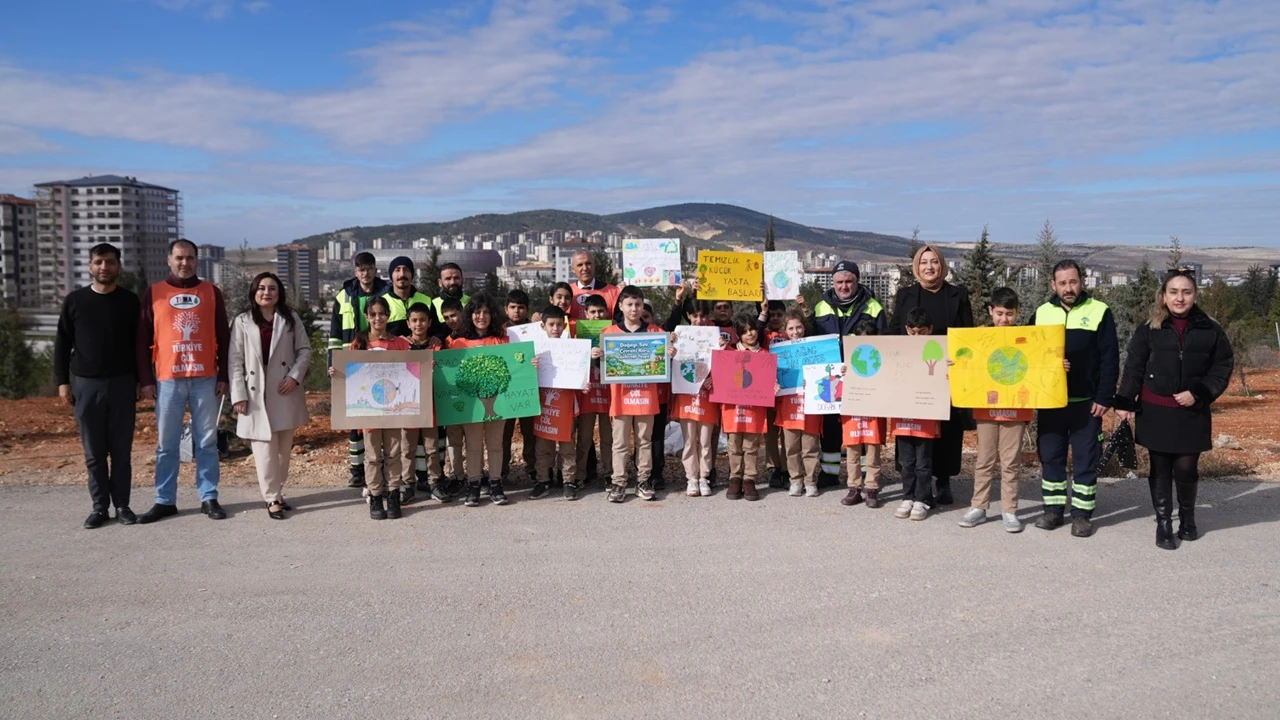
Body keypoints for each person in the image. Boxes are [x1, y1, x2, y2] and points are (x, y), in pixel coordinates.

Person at [1113, 270, 1234, 549]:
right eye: (1174, 292)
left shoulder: (1211, 329)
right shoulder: (1148, 328)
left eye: (1186, 292)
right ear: (1164, 296)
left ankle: (1188, 519)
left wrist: (1199, 393)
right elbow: (1134, 367)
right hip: (1155, 410)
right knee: (1160, 467)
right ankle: (1164, 523)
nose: (1180, 298)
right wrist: (1124, 401)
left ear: (1195, 295)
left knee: (1187, 468)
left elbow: (1223, 365)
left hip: (1192, 411)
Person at [136, 239, 232, 523]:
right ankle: (164, 500)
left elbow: (223, 336)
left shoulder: (211, 292)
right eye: (179, 257)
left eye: (190, 258)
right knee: (167, 445)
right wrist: (145, 379)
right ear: (169, 260)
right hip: (167, 380)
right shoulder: (155, 293)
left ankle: (208, 496)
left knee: (207, 442)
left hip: (206, 378)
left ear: (197, 261)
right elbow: (142, 339)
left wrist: (224, 375)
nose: (184, 263)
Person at [55, 242, 140, 528]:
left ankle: (123, 506)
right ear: (90, 266)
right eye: (99, 262)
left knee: (121, 452)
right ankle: (100, 508)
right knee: (94, 453)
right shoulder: (75, 301)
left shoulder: (130, 301)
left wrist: (141, 380)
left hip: (123, 384)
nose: (105, 267)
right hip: (85, 385)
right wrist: (62, 382)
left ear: (119, 266)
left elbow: (139, 345)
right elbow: (62, 343)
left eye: (110, 262)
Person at [1033, 259, 1119, 538]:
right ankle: (1053, 510)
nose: (1068, 288)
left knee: (1085, 460)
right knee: (1051, 457)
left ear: (1082, 281)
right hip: (1051, 403)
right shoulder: (1041, 313)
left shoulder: (1099, 311)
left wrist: (1104, 397)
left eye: (1073, 281)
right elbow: (1030, 356)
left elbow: (1110, 358)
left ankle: (1082, 515)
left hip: (1087, 403)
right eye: (1062, 283)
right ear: (1053, 285)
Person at [889, 245, 974, 505]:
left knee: (946, 429)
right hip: (911, 375)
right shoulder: (905, 295)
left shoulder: (958, 295)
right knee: (914, 429)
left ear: (942, 265)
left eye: (934, 261)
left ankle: (943, 480)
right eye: (924, 262)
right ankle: (912, 483)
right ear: (917, 266)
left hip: (946, 374)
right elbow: (894, 332)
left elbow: (968, 334)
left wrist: (959, 359)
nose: (929, 267)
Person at [229, 272, 311, 520]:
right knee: (264, 448)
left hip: (284, 389)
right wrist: (238, 395)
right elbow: (235, 360)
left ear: (279, 293)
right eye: (262, 288)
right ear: (254, 292)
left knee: (283, 451)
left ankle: (278, 491)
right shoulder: (242, 321)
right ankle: (272, 498)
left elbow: (304, 350)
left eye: (272, 288)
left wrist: (294, 377)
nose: (267, 292)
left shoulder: (290, 318)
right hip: (254, 392)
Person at [958, 287, 1032, 533]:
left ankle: (1009, 510)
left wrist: (1056, 364)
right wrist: (955, 362)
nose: (1004, 319)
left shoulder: (1026, 337)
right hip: (986, 408)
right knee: (984, 459)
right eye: (999, 313)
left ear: (1017, 313)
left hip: (1015, 409)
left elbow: (1039, 365)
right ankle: (978, 507)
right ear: (990, 311)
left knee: (1011, 462)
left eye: (1009, 314)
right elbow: (965, 361)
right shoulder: (979, 336)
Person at [813, 260, 888, 488]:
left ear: (857, 281)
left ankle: (865, 474)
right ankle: (829, 472)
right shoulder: (820, 307)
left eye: (848, 281)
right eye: (839, 282)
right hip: (830, 378)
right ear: (832, 283)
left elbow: (884, 343)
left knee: (862, 424)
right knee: (830, 426)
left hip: (862, 377)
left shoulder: (873, 307)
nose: (844, 286)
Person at [344, 296, 412, 519]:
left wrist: (423, 367)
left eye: (382, 313)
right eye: (372, 314)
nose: (377, 318)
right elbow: (351, 373)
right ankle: (375, 496)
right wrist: (337, 371)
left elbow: (410, 372)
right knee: (372, 455)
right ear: (366, 317)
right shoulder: (359, 343)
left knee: (394, 453)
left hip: (393, 408)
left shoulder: (400, 343)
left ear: (388, 316)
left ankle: (393, 495)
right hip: (369, 410)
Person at [600, 285, 669, 503]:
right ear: (620, 306)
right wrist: (597, 356)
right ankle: (619, 482)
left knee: (644, 441)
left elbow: (663, 364)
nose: (634, 309)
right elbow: (603, 366)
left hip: (646, 397)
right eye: (629, 304)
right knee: (620, 442)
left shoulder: (656, 333)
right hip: (620, 398)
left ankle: (643, 481)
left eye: (638, 304)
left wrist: (670, 353)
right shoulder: (609, 334)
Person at [328, 251, 389, 488]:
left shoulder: (386, 292)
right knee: (356, 420)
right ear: (355, 271)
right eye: (361, 269)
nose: (365, 273)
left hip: (381, 363)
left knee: (382, 418)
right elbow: (334, 336)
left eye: (369, 268)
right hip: (351, 366)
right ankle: (357, 470)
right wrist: (333, 364)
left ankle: (381, 467)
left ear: (375, 269)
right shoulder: (343, 296)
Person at [446, 293, 512, 507]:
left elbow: (515, 365)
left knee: (495, 445)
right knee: (473, 445)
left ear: (492, 315)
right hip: (470, 404)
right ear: (470, 315)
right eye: (476, 312)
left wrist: (531, 363)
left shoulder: (503, 340)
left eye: (485, 312)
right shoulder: (457, 343)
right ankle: (473, 485)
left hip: (497, 401)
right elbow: (450, 372)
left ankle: (495, 484)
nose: (481, 316)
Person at [891, 308, 943, 521]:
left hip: (926, 419)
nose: (917, 336)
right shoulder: (897, 352)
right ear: (906, 330)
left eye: (922, 332)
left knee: (923, 462)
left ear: (930, 329)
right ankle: (907, 497)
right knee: (906, 462)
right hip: (902, 418)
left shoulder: (938, 351)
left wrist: (948, 369)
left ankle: (922, 499)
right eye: (913, 332)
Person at [721, 314, 774, 501]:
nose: (750, 334)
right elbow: (721, 376)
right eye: (744, 332)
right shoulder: (729, 353)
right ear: (738, 335)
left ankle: (749, 479)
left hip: (754, 409)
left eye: (752, 329)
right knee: (734, 444)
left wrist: (773, 385)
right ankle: (735, 478)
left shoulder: (765, 355)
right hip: (733, 408)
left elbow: (769, 380)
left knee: (751, 445)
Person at [530, 307, 582, 499]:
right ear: (543, 326)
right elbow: (525, 375)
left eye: (559, 324)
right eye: (551, 324)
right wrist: (531, 366)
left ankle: (568, 480)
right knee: (543, 446)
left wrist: (583, 382)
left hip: (566, 403)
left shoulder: (573, 348)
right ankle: (543, 480)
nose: (555, 328)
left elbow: (580, 373)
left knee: (567, 445)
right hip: (543, 404)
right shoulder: (536, 349)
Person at [402, 303, 448, 503]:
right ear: (408, 323)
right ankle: (407, 484)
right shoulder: (401, 346)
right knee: (407, 448)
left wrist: (438, 367)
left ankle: (434, 483)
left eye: (422, 320)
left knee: (432, 448)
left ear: (429, 322)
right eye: (414, 320)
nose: (418, 324)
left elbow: (447, 373)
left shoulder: (437, 346)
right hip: (407, 407)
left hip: (431, 407)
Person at [839, 317, 887, 508]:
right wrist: (842, 372)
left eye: (869, 338)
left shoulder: (882, 359)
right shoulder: (850, 358)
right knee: (852, 453)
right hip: (853, 412)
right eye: (860, 338)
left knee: (873, 452)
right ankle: (854, 488)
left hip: (874, 413)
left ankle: (872, 488)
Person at [775, 309, 822, 498]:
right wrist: (774, 383)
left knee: (810, 447)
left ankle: (810, 481)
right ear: (785, 330)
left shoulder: (815, 348)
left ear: (804, 327)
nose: (796, 332)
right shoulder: (780, 352)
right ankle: (795, 480)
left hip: (811, 405)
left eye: (799, 327)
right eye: (791, 328)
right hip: (788, 406)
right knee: (791, 447)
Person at [574, 294, 614, 494]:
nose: (597, 315)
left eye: (600, 311)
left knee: (608, 439)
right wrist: (585, 353)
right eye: (593, 312)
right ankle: (579, 475)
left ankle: (610, 474)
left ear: (606, 312)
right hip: (587, 394)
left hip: (608, 395)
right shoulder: (578, 335)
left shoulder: (614, 332)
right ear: (586, 313)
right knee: (584, 439)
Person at [501, 289, 538, 483]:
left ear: (527, 309)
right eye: (513, 307)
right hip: (505, 389)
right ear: (505, 309)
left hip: (528, 387)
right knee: (504, 432)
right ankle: (501, 470)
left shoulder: (536, 330)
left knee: (530, 432)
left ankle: (532, 467)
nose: (517, 311)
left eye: (521, 307)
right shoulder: (499, 331)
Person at [382, 255, 433, 338]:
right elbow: (376, 334)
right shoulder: (382, 302)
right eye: (397, 270)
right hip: (392, 346)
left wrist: (437, 337)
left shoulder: (426, 300)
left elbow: (436, 331)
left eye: (406, 270)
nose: (402, 274)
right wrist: (398, 341)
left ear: (412, 274)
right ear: (391, 275)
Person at [568, 251, 621, 320]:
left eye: (588, 263)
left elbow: (621, 322)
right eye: (580, 265)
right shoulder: (567, 293)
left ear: (594, 265)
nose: (585, 268)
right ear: (573, 269)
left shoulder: (614, 292)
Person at [431, 262, 470, 333]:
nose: (453, 282)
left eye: (456, 278)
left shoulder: (472, 303)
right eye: (448, 279)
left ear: (462, 280)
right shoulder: (432, 305)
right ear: (440, 283)